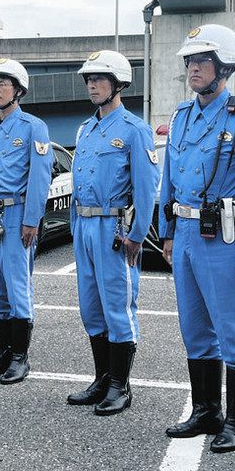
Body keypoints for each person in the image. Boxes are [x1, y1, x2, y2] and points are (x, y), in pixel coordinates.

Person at [159, 26, 235, 451]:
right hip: (187, 231)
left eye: (202, 60)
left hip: (225, 237)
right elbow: (168, 179)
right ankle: (205, 409)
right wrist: (167, 231)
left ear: (224, 66)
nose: (193, 67)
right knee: (194, 326)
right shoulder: (181, 116)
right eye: (189, 61)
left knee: (233, 327)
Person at [66, 50, 158, 416]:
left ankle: (121, 386)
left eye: (99, 79)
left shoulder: (134, 130)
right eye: (89, 79)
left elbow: (147, 189)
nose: (92, 84)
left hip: (112, 226)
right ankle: (102, 377)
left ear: (118, 84)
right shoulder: (85, 130)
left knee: (118, 306)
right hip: (84, 224)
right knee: (91, 307)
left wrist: (136, 234)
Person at [0, 58, 53, 385]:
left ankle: (20, 357)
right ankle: (2, 352)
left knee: (17, 285)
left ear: (18, 90)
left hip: (16, 214)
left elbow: (39, 177)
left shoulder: (33, 127)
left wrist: (31, 220)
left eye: (3, 84)